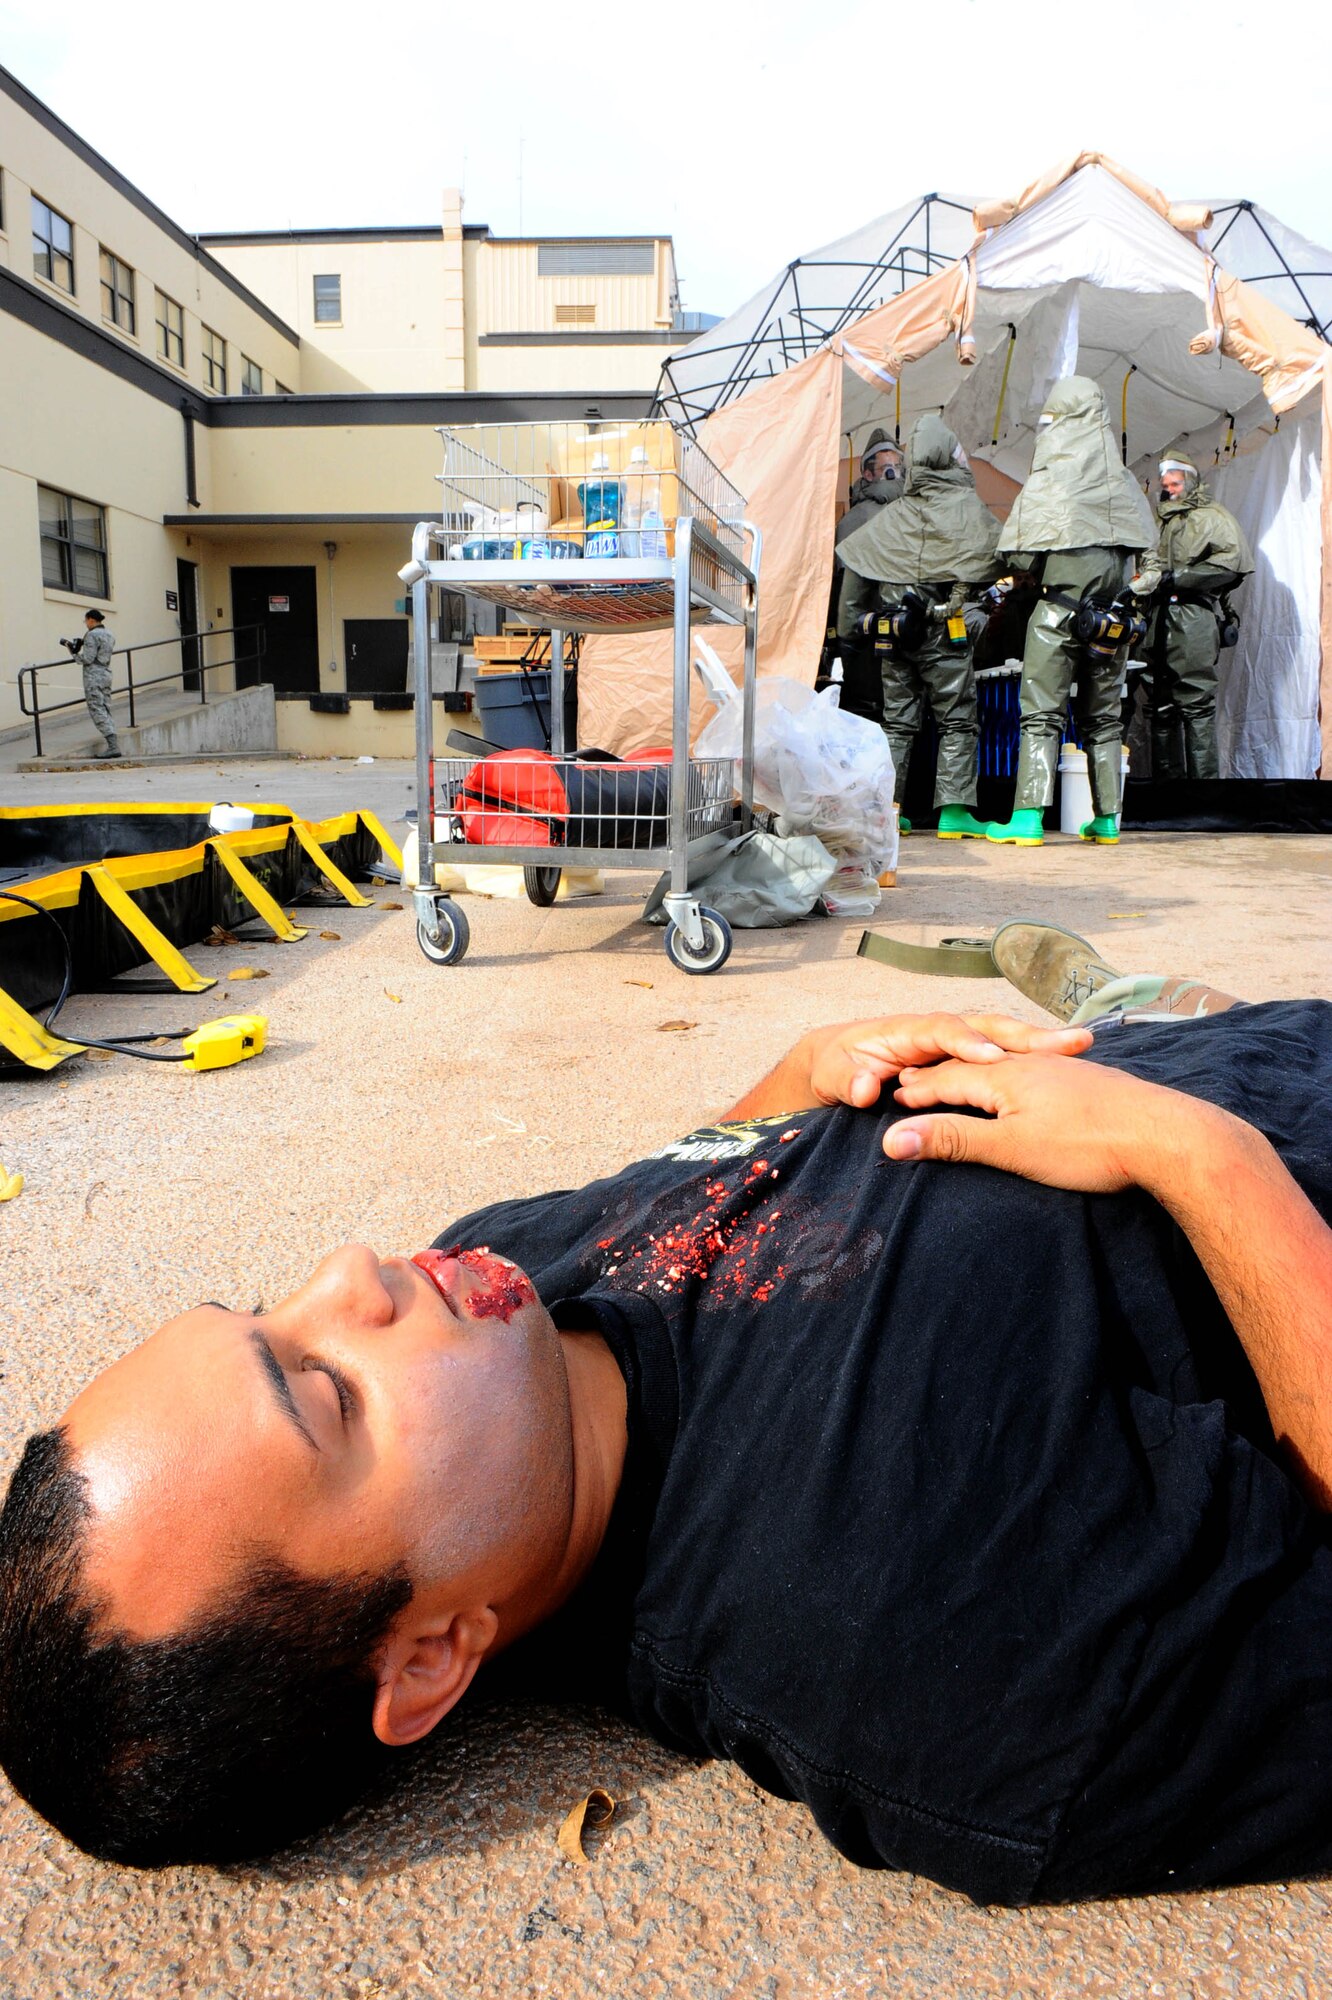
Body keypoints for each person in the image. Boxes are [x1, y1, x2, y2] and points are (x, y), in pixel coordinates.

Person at [3, 988, 1332, 1909]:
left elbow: (672, 1185)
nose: (353, 1275)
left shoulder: (500, 1302)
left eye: (261, 1309)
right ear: (425, 1656)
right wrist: (1209, 1169)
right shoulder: (918, 1647)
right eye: (327, 1394)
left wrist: (798, 1083)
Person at [986, 377, 1156, 847]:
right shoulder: (1125, 486)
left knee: (1041, 715)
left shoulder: (1048, 480)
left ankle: (1027, 819)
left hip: (1057, 615)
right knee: (1105, 718)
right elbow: (1146, 555)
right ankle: (1107, 821)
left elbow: (1021, 559)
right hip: (1113, 621)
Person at [835, 415, 1000, 838]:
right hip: (946, 633)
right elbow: (997, 561)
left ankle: (890, 811)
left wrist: (871, 624)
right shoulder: (963, 510)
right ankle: (954, 811)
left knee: (897, 724)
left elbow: (848, 615)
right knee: (957, 720)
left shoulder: (885, 520)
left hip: (892, 637)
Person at [1137, 452, 1252, 781]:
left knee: (1196, 703)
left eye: (1175, 483)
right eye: (1166, 484)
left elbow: (1232, 562)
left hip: (1192, 617)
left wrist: (1183, 577)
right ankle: (1167, 792)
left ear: (1190, 481)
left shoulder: (1213, 517)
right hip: (1156, 617)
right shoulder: (1159, 521)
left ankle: (1204, 796)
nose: (1169, 489)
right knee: (1158, 705)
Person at [825, 431, 907, 724]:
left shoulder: (906, 513)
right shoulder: (857, 520)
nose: (891, 473)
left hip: (877, 631)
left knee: (871, 710)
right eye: (886, 467)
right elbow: (840, 583)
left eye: (895, 466)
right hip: (877, 631)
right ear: (868, 473)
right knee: (891, 713)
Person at [63, 610, 120, 760]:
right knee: (105, 707)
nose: (86, 624)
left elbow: (87, 659)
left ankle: (113, 746)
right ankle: (113, 743)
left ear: (91, 620)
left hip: (94, 676)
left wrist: (73, 651)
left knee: (96, 708)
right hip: (106, 673)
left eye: (85, 621)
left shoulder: (91, 635)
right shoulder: (110, 634)